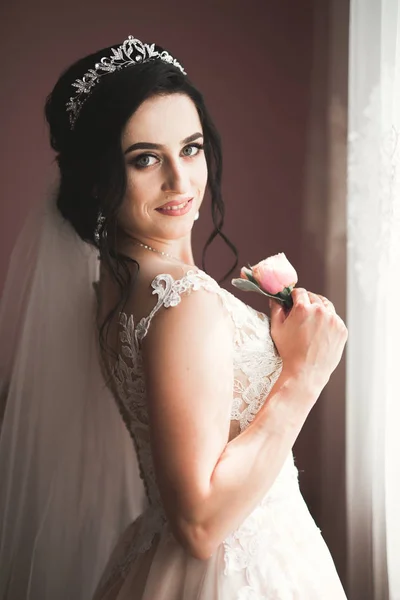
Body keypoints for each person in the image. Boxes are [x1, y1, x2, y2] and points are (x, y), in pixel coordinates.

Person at [0, 35, 349, 600]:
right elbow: (200, 525)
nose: (180, 182)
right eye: (145, 159)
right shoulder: (182, 300)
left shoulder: (112, 284)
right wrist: (303, 376)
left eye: (190, 148)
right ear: (97, 177)